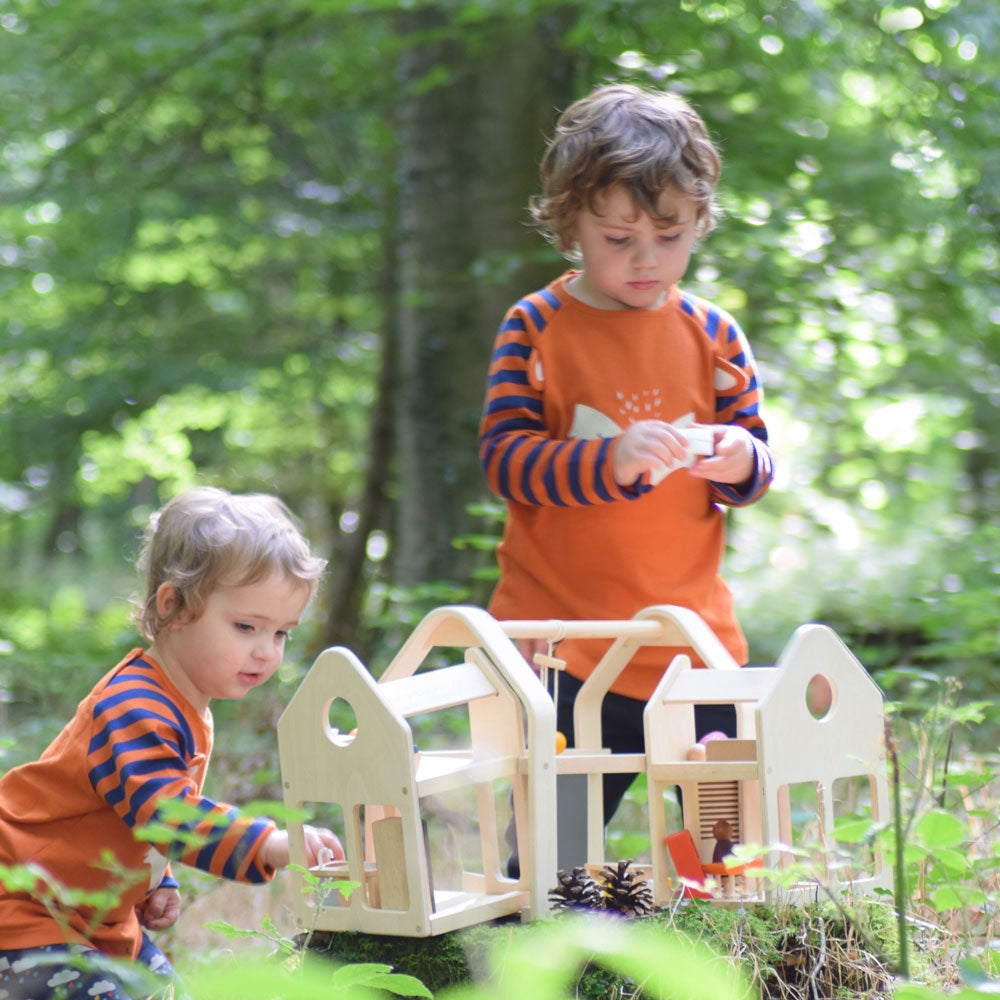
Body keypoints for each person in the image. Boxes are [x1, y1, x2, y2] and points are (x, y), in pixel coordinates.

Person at [478, 83, 775, 855]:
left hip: (692, 639)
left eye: (670, 236)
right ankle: (542, 955)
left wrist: (740, 460)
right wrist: (604, 459)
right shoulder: (536, 328)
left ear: (701, 220)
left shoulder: (712, 332)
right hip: (563, 642)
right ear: (570, 224)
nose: (647, 260)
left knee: (726, 833)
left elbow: (755, 456)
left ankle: (714, 942)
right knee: (556, 844)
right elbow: (505, 462)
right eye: (618, 239)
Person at [0, 486, 344, 999]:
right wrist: (270, 842)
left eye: (281, 634)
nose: (265, 652)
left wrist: (158, 881)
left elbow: (124, 811)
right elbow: (163, 812)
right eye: (246, 626)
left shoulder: (183, 702)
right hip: (28, 917)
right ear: (174, 607)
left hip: (97, 921)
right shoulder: (135, 706)